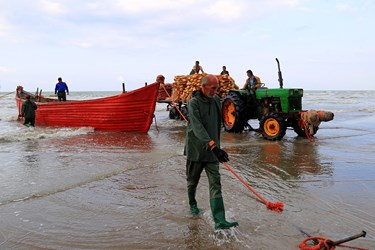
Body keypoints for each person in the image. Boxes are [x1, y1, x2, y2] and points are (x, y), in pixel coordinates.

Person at [184, 74, 238, 230]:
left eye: (217, 88)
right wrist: (213, 145)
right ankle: (193, 205)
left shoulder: (215, 100)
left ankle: (220, 220)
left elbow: (218, 124)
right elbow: (198, 127)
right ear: (203, 86)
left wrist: (218, 147)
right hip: (196, 150)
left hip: (213, 152)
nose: (216, 91)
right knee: (192, 180)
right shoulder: (193, 103)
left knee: (216, 183)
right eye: (213, 88)